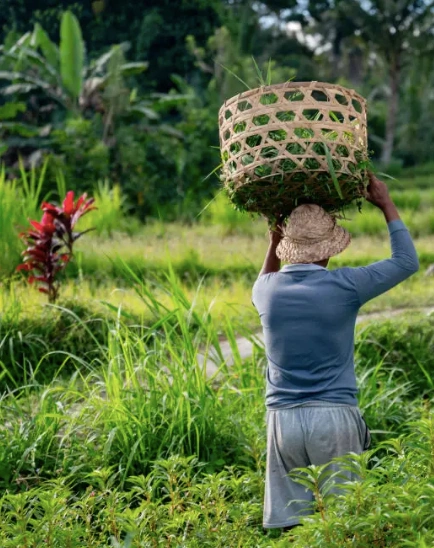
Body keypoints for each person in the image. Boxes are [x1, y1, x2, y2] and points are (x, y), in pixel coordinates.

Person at [252, 173, 419, 530]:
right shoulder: (346, 286)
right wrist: (386, 204)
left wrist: (273, 240)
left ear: (286, 247)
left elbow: (265, 276)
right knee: (345, 523)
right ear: (329, 250)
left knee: (290, 526)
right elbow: (407, 261)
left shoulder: (266, 292)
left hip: (282, 421)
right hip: (332, 416)